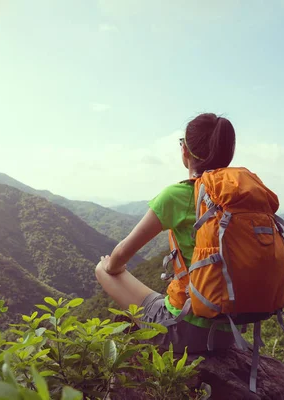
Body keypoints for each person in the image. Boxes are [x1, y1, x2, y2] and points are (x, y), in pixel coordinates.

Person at [95, 112, 238, 354]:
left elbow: (120, 255)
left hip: (185, 332)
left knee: (102, 269)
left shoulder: (177, 196)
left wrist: (113, 267)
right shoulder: (239, 197)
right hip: (230, 332)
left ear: (186, 151)